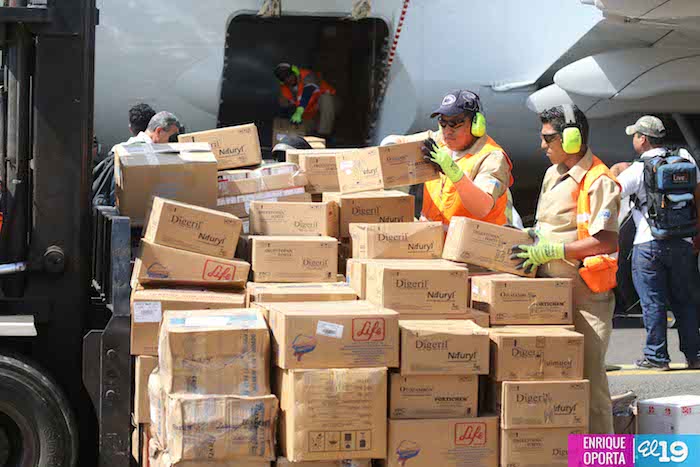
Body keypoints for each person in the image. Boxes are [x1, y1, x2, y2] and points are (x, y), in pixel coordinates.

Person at [511, 104, 621, 434]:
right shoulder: (552, 174)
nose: (542, 145)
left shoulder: (599, 180)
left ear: (572, 139)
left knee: (591, 384)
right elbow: (550, 224)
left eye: (549, 138)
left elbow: (607, 241)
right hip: (549, 293)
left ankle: (603, 453)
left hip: (585, 298)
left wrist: (556, 250)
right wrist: (534, 237)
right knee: (550, 379)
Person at [616, 115, 700, 370]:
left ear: (643, 139)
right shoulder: (685, 160)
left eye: (635, 135)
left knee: (653, 302)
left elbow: (612, 191)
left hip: (648, 243)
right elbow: (697, 196)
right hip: (684, 242)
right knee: (686, 301)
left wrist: (613, 172)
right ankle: (695, 355)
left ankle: (656, 356)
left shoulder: (638, 169)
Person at [418, 90, 515, 229]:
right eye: (443, 123)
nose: (447, 131)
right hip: (434, 240)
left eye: (455, 123)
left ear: (476, 124)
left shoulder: (492, 158)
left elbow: (482, 207)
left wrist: (454, 173)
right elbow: (397, 144)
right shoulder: (439, 140)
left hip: (473, 241)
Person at [92, 111, 182, 208]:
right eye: (172, 138)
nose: (173, 143)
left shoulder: (122, 148)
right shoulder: (142, 155)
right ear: (159, 131)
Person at [274, 63, 337, 137]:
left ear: (294, 71)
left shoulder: (307, 76)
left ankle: (323, 135)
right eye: (283, 78)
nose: (288, 79)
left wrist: (299, 111)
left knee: (326, 99)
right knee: (297, 132)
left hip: (326, 108)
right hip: (310, 116)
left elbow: (308, 90)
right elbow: (284, 106)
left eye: (289, 75)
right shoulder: (285, 89)